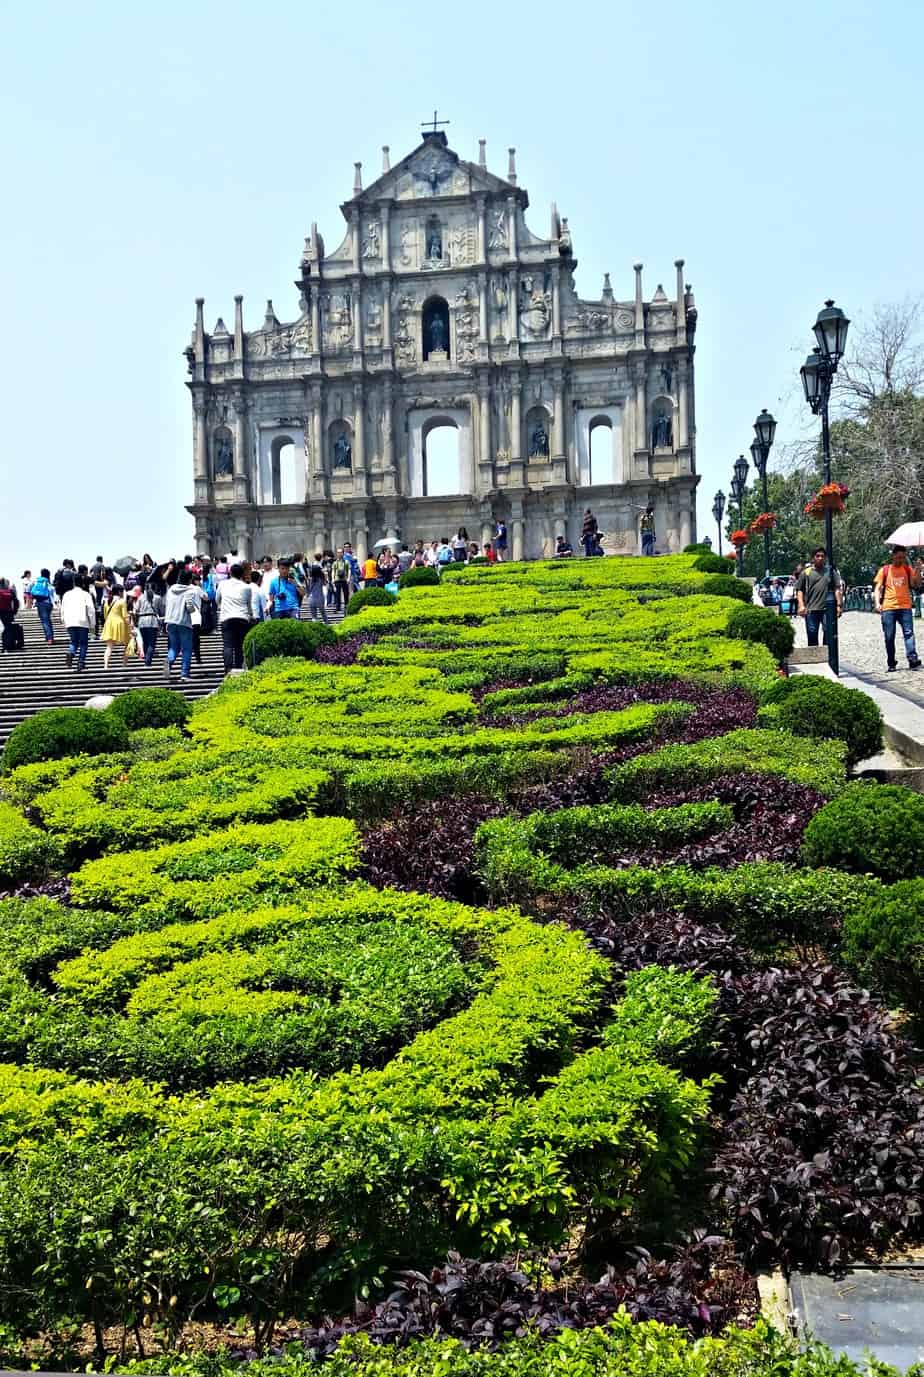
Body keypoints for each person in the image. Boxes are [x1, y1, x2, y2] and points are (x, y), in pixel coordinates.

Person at [873, 546, 923, 672]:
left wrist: (918, 569)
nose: (901, 559)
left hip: (905, 606)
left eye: (903, 557)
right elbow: (878, 588)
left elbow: (916, 584)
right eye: (899, 557)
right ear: (893, 556)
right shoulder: (885, 570)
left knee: (909, 633)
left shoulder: (907, 569)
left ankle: (912, 659)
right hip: (888, 608)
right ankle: (891, 662)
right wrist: (877, 603)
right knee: (889, 636)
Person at [796, 547, 843, 646]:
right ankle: (814, 657)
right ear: (813, 558)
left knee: (828, 631)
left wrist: (839, 605)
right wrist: (801, 605)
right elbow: (800, 590)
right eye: (818, 556)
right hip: (811, 609)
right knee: (812, 633)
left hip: (827, 609)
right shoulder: (806, 573)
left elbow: (837, 589)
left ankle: (827, 656)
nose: (820, 558)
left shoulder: (830, 572)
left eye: (822, 556)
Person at [216, 563, 254, 673]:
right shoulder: (247, 587)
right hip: (242, 618)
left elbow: (217, 599)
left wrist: (222, 605)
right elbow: (248, 605)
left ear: (230, 573)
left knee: (228, 645)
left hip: (227, 618)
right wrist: (250, 615)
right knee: (239, 645)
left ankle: (227, 669)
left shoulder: (222, 584)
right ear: (242, 574)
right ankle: (238, 668)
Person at [164, 569, 199, 681]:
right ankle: (184, 674)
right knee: (187, 649)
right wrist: (194, 610)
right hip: (183, 622)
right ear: (189, 579)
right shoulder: (190, 591)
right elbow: (189, 607)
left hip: (170, 621)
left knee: (174, 647)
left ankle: (169, 661)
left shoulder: (170, 590)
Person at [61, 574, 96, 671]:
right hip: (83, 622)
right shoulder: (86, 594)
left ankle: (71, 653)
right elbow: (91, 610)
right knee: (84, 643)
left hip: (70, 622)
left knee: (74, 641)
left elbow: (62, 609)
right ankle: (81, 662)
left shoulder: (66, 594)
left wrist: (64, 621)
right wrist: (92, 624)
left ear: (73, 583)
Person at [100, 585, 134, 669]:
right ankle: (124, 665)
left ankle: (106, 665)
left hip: (109, 624)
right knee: (128, 644)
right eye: (122, 591)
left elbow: (105, 616)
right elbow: (125, 616)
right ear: (119, 592)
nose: (123, 593)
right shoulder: (122, 601)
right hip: (120, 624)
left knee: (109, 647)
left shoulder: (107, 601)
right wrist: (130, 627)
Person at [135, 581, 165, 666]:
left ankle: (146, 661)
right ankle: (147, 662)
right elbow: (162, 612)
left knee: (145, 642)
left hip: (142, 621)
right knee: (152, 643)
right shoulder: (158, 598)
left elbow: (136, 609)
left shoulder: (141, 598)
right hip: (152, 621)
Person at [31, 568, 55, 643]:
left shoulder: (37, 581)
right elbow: (52, 591)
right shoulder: (48, 582)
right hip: (48, 603)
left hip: (40, 603)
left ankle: (49, 638)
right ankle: (50, 637)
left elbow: (29, 590)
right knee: (48, 620)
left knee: (45, 621)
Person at [306, 554, 328, 622]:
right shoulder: (321, 579)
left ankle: (314, 626)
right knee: (323, 613)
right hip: (320, 598)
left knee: (314, 616)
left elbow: (308, 589)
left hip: (312, 598)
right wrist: (324, 575)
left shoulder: (310, 579)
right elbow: (325, 583)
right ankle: (326, 624)